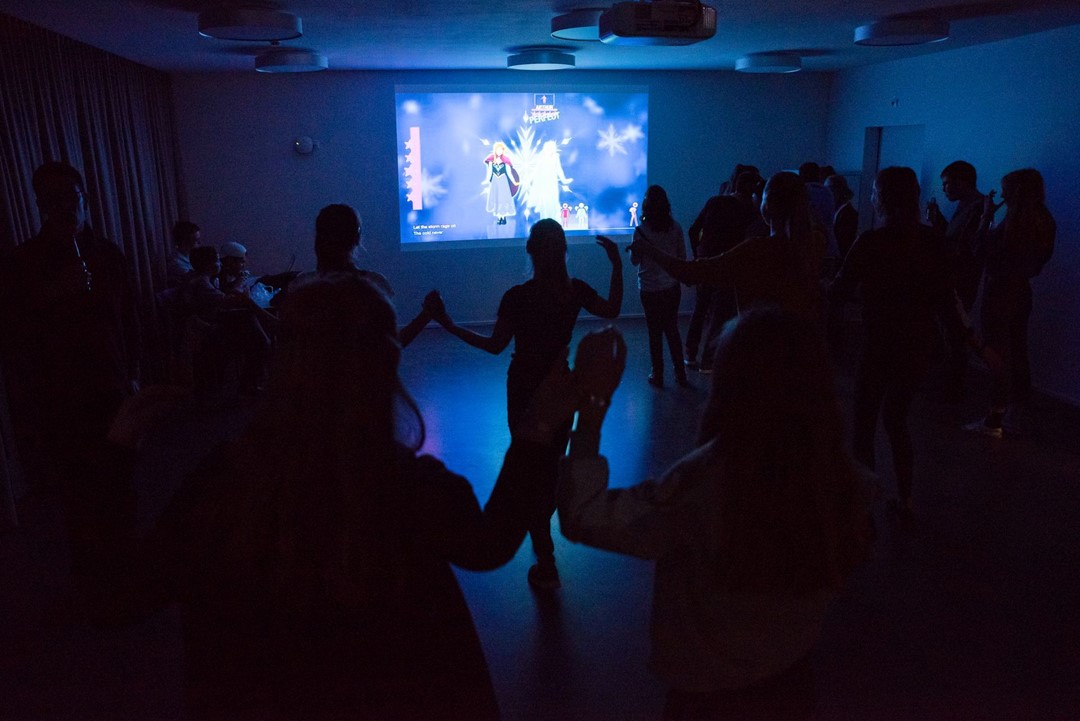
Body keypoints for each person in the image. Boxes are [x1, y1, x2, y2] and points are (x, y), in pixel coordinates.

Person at [137, 274, 552, 720]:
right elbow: (488, 546)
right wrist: (536, 431)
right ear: (384, 362)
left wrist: (118, 450)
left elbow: (128, 593)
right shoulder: (410, 484)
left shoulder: (223, 479)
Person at [537, 312, 872, 720]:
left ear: (731, 386)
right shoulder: (843, 480)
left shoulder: (706, 484)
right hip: (793, 682)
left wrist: (592, 406)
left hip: (710, 700)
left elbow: (585, 515)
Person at [426, 218, 621, 590]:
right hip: (560, 389)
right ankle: (542, 539)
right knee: (549, 466)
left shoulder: (517, 297)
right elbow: (612, 309)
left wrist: (447, 324)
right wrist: (616, 264)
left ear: (530, 250)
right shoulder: (575, 291)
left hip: (524, 388)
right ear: (563, 251)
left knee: (529, 464)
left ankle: (545, 555)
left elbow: (494, 346)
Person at [0, 160, 141, 615]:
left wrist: (134, 374)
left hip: (113, 389)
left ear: (84, 197)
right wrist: (53, 295)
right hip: (62, 401)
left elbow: (130, 320)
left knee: (122, 487)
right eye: (53, 199)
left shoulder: (108, 254)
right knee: (79, 497)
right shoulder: (23, 264)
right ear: (40, 204)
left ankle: (125, 576)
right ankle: (90, 585)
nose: (64, 207)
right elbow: (14, 337)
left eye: (71, 197)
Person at [830, 167, 989, 526]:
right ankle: (906, 498)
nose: (871, 197)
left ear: (882, 198)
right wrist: (975, 343)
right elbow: (947, 300)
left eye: (874, 192)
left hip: (878, 344)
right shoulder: (932, 241)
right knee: (897, 420)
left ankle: (865, 505)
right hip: (917, 345)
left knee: (864, 425)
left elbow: (839, 291)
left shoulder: (871, 242)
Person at [630, 172, 826, 323]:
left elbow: (689, 273)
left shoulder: (756, 250)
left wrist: (649, 249)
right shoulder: (816, 242)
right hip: (805, 349)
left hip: (762, 350)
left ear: (766, 206)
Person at [964, 168, 1055, 437]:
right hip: (1021, 291)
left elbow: (979, 249)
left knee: (997, 353)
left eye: (1005, 188)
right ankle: (1016, 412)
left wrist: (985, 217)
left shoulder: (1014, 221)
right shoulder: (1044, 220)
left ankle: (994, 419)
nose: (1001, 193)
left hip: (999, 291)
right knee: (1018, 350)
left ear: (1016, 191)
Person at [287, 203, 433, 346]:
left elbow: (289, 340)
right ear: (357, 237)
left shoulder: (300, 286)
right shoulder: (375, 286)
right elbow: (389, 343)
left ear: (318, 239)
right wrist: (426, 315)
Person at [684, 170, 761, 372]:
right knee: (719, 313)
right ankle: (708, 361)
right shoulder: (748, 211)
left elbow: (693, 230)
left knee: (701, 308)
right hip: (728, 266)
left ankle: (690, 354)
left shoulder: (715, 202)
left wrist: (698, 255)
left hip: (706, 263)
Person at [926, 160, 987, 402]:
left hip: (960, 280)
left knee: (954, 332)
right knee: (951, 331)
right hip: (956, 278)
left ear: (962, 182)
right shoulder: (968, 205)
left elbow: (964, 248)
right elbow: (956, 239)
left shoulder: (977, 207)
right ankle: (949, 386)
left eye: (947, 183)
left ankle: (952, 389)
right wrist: (938, 220)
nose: (944, 189)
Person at [630, 185, 688, 388]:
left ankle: (658, 373)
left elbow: (634, 261)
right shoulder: (676, 228)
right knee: (672, 329)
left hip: (649, 288)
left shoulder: (640, 231)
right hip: (671, 286)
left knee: (654, 331)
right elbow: (682, 257)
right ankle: (680, 374)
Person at [483, 141, 519, 225]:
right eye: (498, 150)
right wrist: (486, 180)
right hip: (495, 182)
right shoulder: (491, 159)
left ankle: (503, 217)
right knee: (497, 198)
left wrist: (514, 182)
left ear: (503, 150)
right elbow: (490, 171)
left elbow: (509, 173)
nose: (499, 151)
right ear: (495, 150)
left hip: (503, 182)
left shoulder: (506, 160)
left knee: (503, 199)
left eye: (501, 150)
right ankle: (499, 218)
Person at [824, 174, 857, 261]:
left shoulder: (849, 215)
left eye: (827, 190)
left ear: (837, 191)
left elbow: (843, 247)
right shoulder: (839, 213)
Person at [166, 220, 201, 288]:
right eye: (196, 240)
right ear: (184, 242)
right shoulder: (176, 263)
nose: (199, 242)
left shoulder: (191, 256)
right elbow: (196, 281)